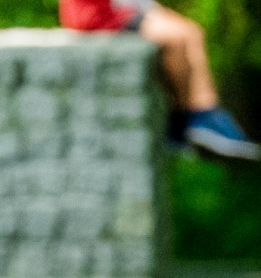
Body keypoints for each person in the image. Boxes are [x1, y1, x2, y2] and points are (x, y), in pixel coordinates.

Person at [60, 0, 260, 160]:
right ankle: (193, 120)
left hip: (119, 10)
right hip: (97, 16)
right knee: (175, 38)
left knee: (192, 32)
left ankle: (204, 116)